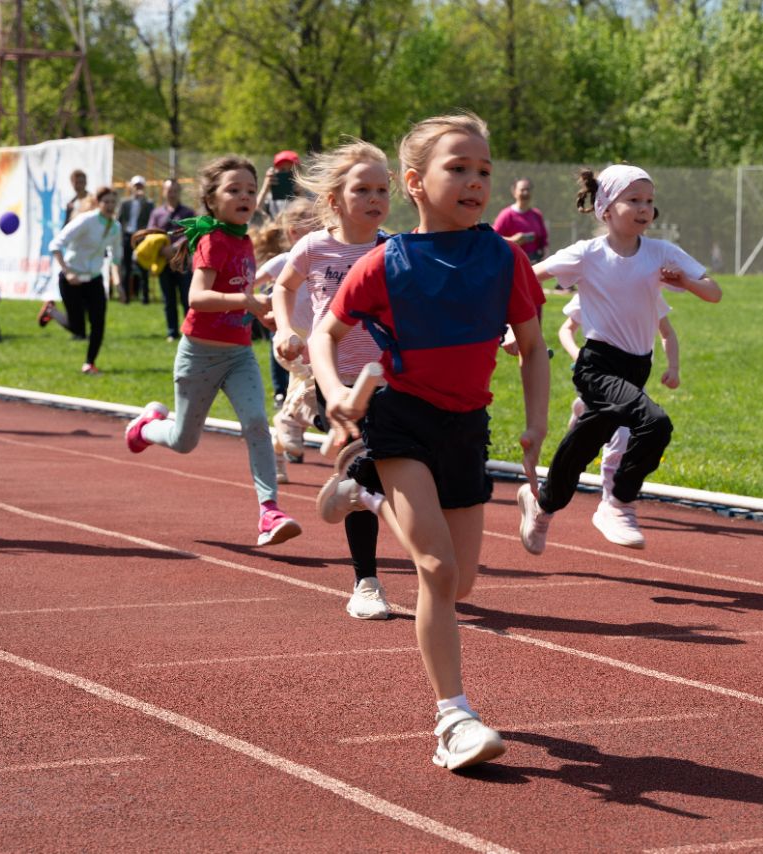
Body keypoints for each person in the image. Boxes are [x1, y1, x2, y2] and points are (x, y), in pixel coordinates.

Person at [309, 114, 549, 770]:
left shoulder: (505, 259)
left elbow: (532, 348)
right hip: (402, 423)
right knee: (436, 571)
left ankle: (362, 489)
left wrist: (536, 421)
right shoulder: (387, 263)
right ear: (414, 182)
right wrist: (332, 390)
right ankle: (454, 719)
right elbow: (325, 336)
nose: (475, 182)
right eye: (458, 168)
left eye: (483, 171)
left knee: (461, 582)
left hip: (466, 429)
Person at [520, 165, 722, 553]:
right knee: (655, 423)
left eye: (649, 201)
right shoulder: (587, 253)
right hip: (597, 364)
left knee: (582, 443)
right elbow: (529, 277)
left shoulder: (662, 251)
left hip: (636, 366)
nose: (644, 208)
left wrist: (686, 282)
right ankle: (618, 502)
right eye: (634, 200)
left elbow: (713, 292)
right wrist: (512, 324)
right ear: (606, 208)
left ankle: (542, 505)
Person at [124, 155, 302, 548]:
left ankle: (269, 510)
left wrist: (262, 315)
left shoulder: (243, 240)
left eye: (251, 190)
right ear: (211, 199)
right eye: (234, 190)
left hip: (238, 355)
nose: (245, 196)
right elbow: (198, 298)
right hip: (200, 355)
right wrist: (246, 300)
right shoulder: (212, 240)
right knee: (185, 441)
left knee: (257, 422)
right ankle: (146, 427)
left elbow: (243, 299)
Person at [271, 139, 394, 620]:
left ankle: (353, 487)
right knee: (365, 460)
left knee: (388, 467)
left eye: (382, 189)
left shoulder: (394, 248)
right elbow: (283, 286)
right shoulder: (314, 246)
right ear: (334, 199)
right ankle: (366, 581)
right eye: (362, 189)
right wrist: (285, 328)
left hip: (393, 378)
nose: (374, 199)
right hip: (335, 380)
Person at [557, 291, 680, 542]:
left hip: (633, 380)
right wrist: (577, 355)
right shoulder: (593, 288)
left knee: (624, 428)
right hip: (598, 376)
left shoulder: (648, 294)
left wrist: (673, 367)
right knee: (621, 435)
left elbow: (666, 332)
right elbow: (566, 329)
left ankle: (582, 408)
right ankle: (610, 499)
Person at [252, 197, 317, 474]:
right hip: (290, 340)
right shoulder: (282, 262)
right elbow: (248, 286)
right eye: (314, 229)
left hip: (317, 340)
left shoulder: (323, 261)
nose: (323, 234)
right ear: (294, 234)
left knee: (300, 396)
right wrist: (260, 309)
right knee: (314, 384)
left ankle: (277, 448)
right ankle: (289, 420)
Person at [47, 186, 122, 375]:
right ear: (98, 202)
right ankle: (51, 311)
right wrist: (68, 272)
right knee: (78, 329)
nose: (110, 206)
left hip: (94, 279)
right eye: (107, 201)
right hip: (71, 279)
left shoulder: (115, 227)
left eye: (113, 202)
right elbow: (55, 245)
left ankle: (90, 363)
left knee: (98, 322)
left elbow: (116, 257)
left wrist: (118, 283)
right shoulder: (86, 221)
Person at [147, 178, 196, 340]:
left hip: (182, 262)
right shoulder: (157, 213)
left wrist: (175, 248)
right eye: (169, 190)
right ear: (163, 192)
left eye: (175, 191)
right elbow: (150, 233)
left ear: (179, 192)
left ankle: (190, 330)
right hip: (163, 262)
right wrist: (162, 249)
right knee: (168, 300)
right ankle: (172, 332)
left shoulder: (188, 213)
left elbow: (192, 233)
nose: (172, 194)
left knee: (186, 298)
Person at [492, 177, 549, 262]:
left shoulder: (537, 215)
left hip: (534, 262)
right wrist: (513, 240)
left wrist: (545, 257)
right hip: (512, 262)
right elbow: (494, 239)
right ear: (514, 192)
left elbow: (543, 241)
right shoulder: (506, 215)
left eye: (528, 190)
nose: (525, 193)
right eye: (522, 190)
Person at [118, 175, 153, 304]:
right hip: (127, 236)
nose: (138, 188)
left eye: (140, 186)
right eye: (136, 186)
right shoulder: (125, 202)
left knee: (143, 267)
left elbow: (150, 219)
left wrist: (142, 200)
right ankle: (126, 297)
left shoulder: (148, 204)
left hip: (141, 237)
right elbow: (120, 219)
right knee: (126, 268)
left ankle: (145, 297)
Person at [256, 150, 300, 221]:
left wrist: (301, 196)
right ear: (275, 171)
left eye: (291, 171)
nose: (286, 174)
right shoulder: (269, 198)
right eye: (282, 170)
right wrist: (265, 188)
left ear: (299, 172)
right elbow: (253, 214)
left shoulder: (309, 194)